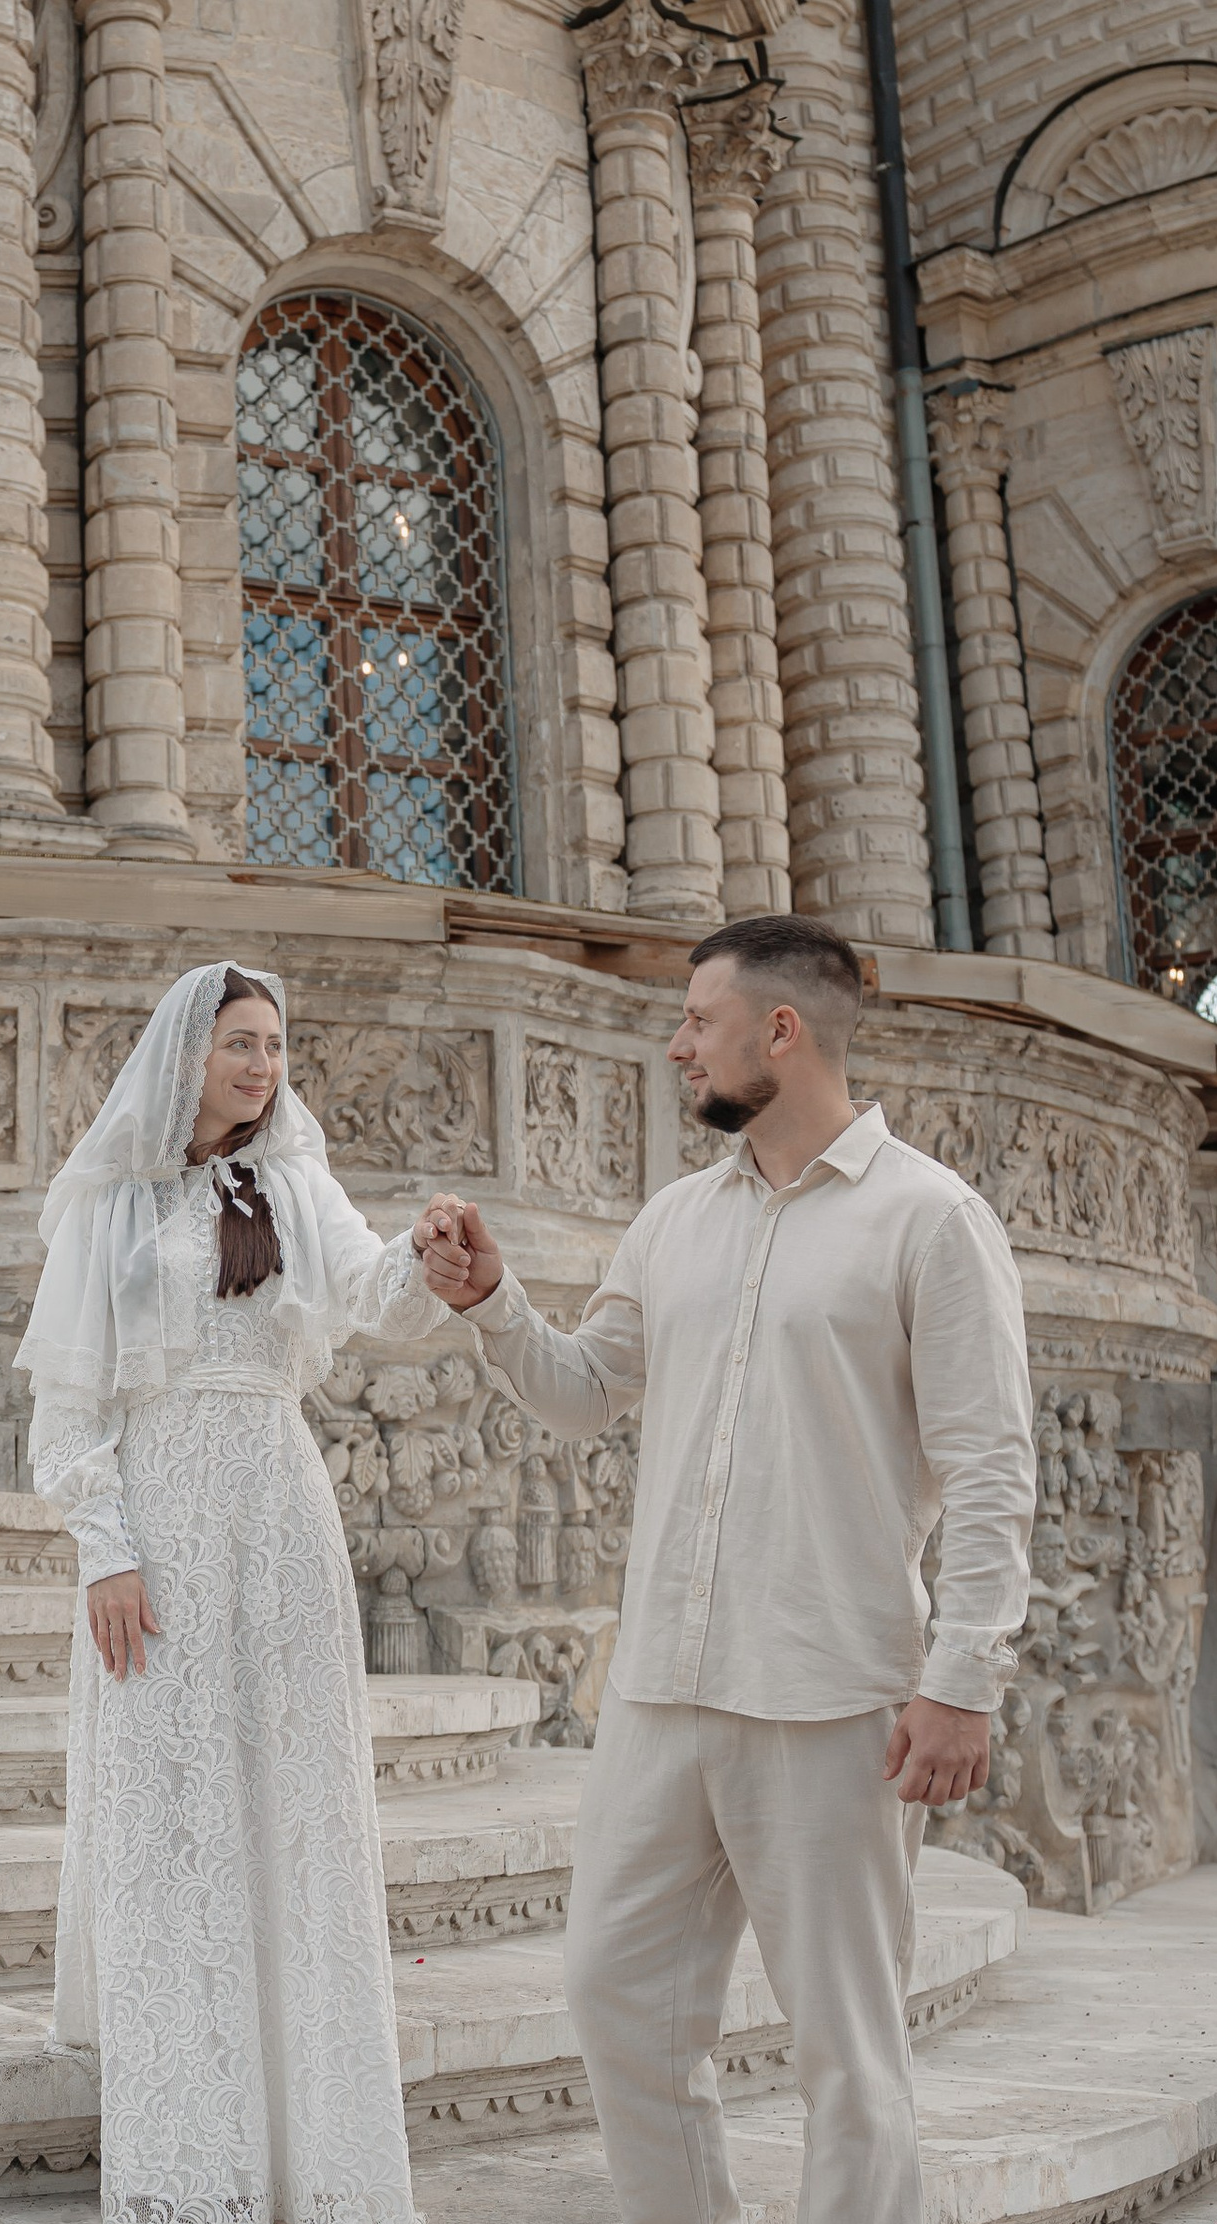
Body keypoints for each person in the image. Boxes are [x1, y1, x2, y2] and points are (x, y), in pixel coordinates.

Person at [415, 913, 1035, 2224]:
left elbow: (991, 1470)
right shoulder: (675, 1221)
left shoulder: (932, 1221)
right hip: (664, 1689)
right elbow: (586, 1391)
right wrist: (492, 1302)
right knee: (617, 1996)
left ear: (781, 1030)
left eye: (697, 1021)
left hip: (833, 1693)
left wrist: (963, 1677)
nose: (676, 1044)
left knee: (847, 2054)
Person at [21, 959, 449, 2224]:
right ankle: (189, 2159)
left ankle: (321, 2152)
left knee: (296, 1807)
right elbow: (67, 1394)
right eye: (240, 1045)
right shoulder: (113, 1198)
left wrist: (427, 1254)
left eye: (273, 1044)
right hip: (158, 1514)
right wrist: (103, 1544)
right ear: (184, 1056)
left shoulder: (297, 1183)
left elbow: (374, 1295)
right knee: (174, 1809)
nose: (262, 1065)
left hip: (276, 1507)